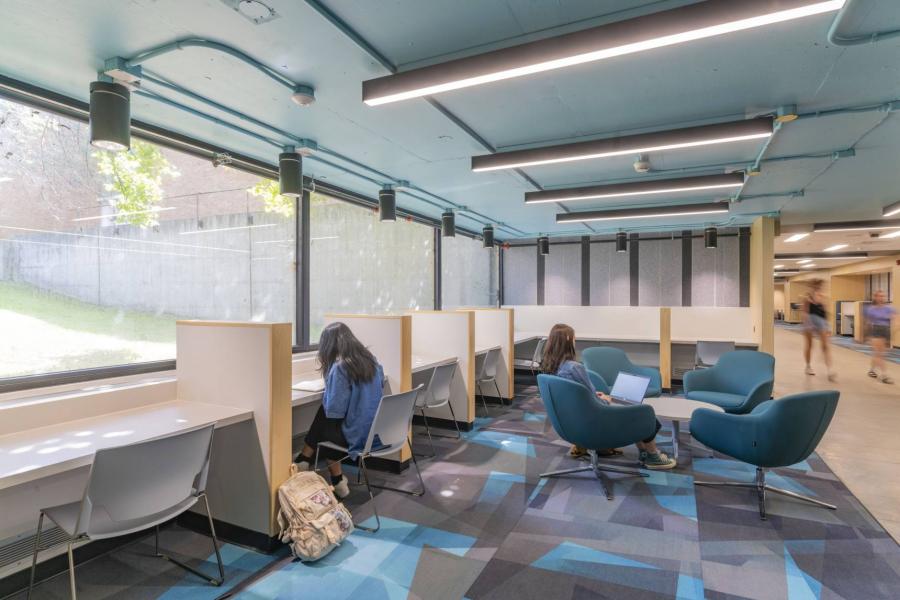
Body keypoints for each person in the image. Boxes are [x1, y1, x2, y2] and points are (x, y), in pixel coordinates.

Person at [539, 323, 676, 470]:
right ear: (568, 339)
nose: (575, 341)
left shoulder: (552, 367)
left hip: (572, 420)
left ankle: (644, 452)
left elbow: (576, 393)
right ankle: (653, 456)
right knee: (645, 414)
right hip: (595, 419)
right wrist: (605, 399)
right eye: (574, 338)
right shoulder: (574, 367)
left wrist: (593, 395)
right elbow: (594, 400)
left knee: (634, 409)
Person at [294, 322, 385, 499]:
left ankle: (307, 461)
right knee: (324, 419)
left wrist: (329, 382)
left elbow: (334, 410)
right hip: (373, 430)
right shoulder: (372, 361)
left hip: (356, 435)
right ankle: (324, 472)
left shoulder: (340, 367)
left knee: (325, 417)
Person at [802, 279, 835, 382]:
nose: (818, 288)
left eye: (820, 286)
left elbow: (825, 312)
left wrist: (828, 326)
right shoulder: (807, 297)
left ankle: (830, 370)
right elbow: (804, 312)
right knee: (809, 345)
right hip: (810, 321)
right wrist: (808, 324)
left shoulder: (823, 297)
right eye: (816, 286)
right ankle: (808, 366)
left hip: (821, 321)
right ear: (812, 287)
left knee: (825, 346)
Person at [865, 290, 896, 384]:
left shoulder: (889, 308)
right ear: (875, 297)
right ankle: (884, 375)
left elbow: (895, 318)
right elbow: (868, 322)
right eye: (879, 296)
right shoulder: (871, 309)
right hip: (876, 330)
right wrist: (867, 335)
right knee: (879, 354)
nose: (881, 298)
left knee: (878, 354)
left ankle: (872, 370)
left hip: (886, 331)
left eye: (882, 296)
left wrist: (895, 327)